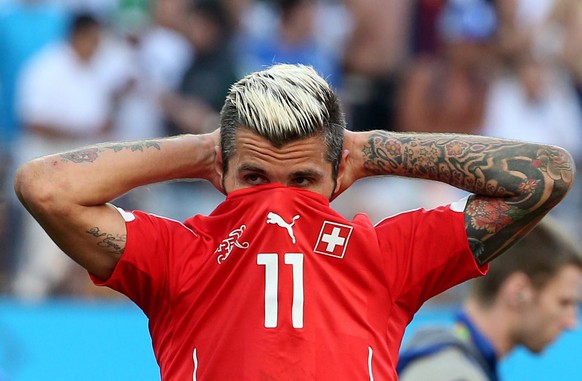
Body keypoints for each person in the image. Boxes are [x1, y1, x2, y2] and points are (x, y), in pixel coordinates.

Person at [13, 64, 574, 380]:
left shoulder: (388, 256)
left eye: (302, 180)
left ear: (339, 175)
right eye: (255, 178)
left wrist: (368, 147)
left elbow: (546, 173)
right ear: (220, 172)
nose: (276, 205)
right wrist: (203, 147)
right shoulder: (176, 254)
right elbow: (43, 186)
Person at [397, 216, 582, 381]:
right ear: (519, 292)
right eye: (564, 303)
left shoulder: (451, 362)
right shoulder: (448, 372)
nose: (572, 323)